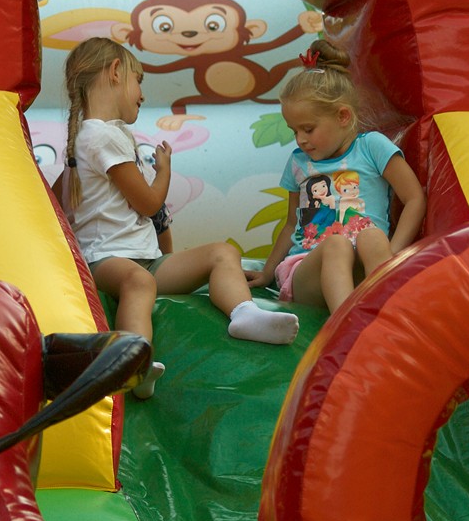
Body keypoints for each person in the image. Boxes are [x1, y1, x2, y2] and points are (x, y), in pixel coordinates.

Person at [57, 37, 300, 398]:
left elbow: (149, 218)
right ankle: (132, 363)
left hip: (145, 259)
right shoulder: (98, 136)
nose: (142, 93)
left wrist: (166, 251)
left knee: (222, 252)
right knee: (139, 282)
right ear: (115, 72)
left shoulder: (111, 135)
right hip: (106, 259)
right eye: (139, 80)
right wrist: (165, 171)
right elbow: (148, 204)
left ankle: (244, 313)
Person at [246, 39, 426, 312]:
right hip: (308, 270)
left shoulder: (372, 147)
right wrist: (268, 272)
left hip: (362, 267)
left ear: (343, 116)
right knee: (336, 245)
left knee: (372, 236)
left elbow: (414, 198)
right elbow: (292, 223)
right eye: (294, 131)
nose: (300, 139)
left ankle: (387, 307)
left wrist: (394, 255)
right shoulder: (298, 162)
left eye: (308, 129)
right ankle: (346, 324)